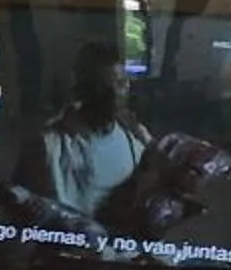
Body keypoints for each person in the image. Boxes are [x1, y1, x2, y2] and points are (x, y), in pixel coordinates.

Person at [38, 41, 149, 219]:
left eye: (121, 84)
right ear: (83, 90)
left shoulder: (137, 139)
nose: (114, 95)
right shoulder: (50, 146)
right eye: (103, 87)